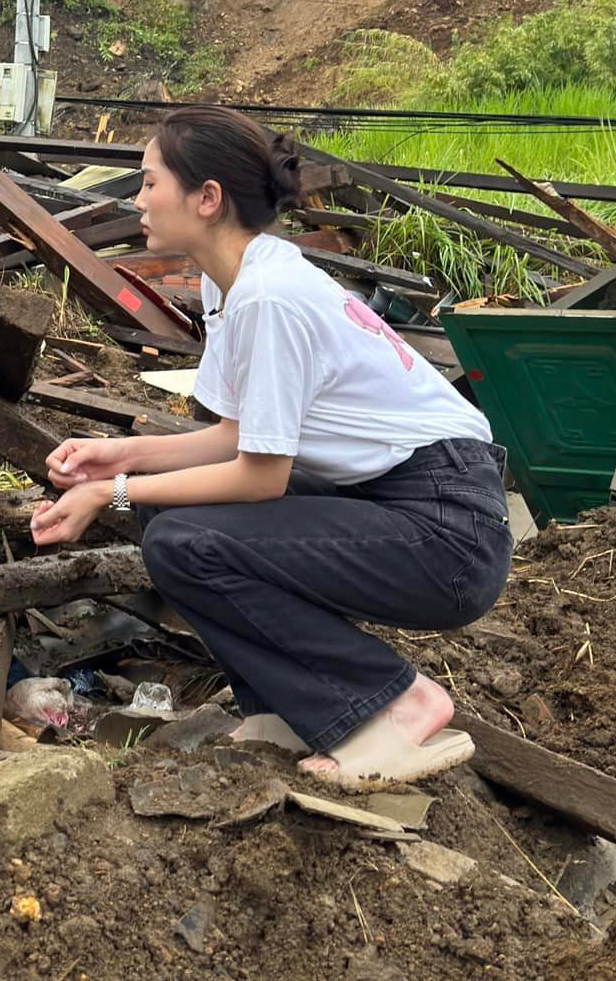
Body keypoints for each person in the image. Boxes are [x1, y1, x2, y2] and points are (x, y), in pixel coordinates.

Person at [30, 108, 511, 790]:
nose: (137, 200)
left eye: (148, 182)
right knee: (166, 522)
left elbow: (258, 479)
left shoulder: (268, 296)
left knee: (180, 542)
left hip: (447, 532)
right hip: (400, 507)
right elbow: (238, 437)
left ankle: (399, 703)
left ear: (207, 198)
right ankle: (284, 714)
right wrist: (124, 459)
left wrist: (106, 492)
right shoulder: (233, 282)